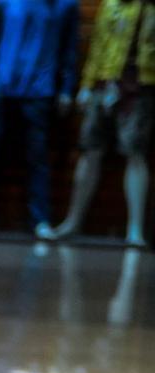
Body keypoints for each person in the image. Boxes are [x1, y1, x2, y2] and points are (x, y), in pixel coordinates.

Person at [0, 0, 81, 237]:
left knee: (37, 155)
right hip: (1, 86)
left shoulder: (65, 5)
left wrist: (65, 89)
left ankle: (40, 220)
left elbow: (69, 49)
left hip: (39, 89)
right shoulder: (7, 2)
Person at [53, 0, 151, 243]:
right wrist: (87, 85)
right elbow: (98, 47)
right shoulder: (110, 6)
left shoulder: (149, 9)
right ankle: (73, 220)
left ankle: (135, 230)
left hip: (138, 89)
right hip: (102, 84)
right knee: (89, 151)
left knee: (135, 153)